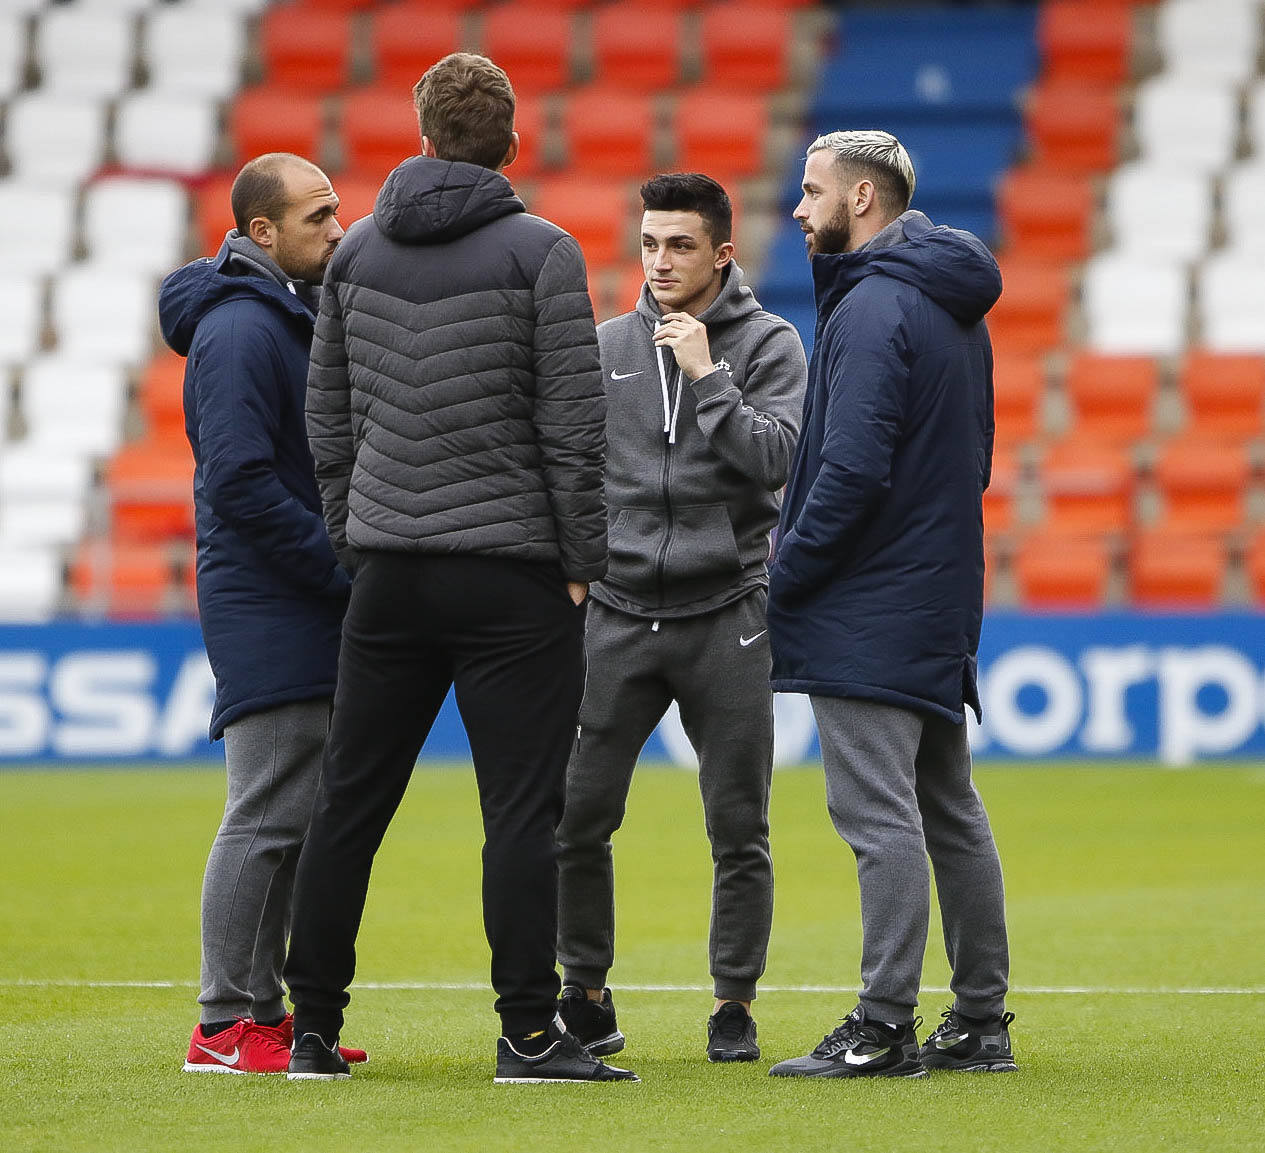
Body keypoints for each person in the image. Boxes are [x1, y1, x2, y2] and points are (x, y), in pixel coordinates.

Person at [281, 52, 636, 1085]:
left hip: (390, 569)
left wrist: (359, 539)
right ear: (511, 141)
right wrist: (580, 563)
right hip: (511, 572)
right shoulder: (542, 252)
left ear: (424, 136)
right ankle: (528, 1033)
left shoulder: (353, 259)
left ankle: (310, 1031)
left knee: (348, 802)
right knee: (521, 811)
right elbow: (571, 426)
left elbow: (328, 423)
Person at [765, 130, 1015, 1079]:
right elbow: (977, 457)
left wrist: (787, 571)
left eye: (812, 190)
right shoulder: (952, 307)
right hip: (935, 590)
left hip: (870, 599)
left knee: (878, 815)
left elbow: (851, 466)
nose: (798, 208)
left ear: (861, 199)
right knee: (945, 802)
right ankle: (981, 1019)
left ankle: (882, 1023)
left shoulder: (872, 306)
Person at [555, 174, 806, 1063]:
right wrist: (579, 570)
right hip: (616, 614)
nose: (659, 261)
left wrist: (706, 373)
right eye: (650, 242)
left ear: (722, 253)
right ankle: (583, 992)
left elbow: (772, 459)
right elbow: (569, 466)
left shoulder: (771, 344)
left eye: (681, 245)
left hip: (725, 614)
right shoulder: (605, 343)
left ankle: (732, 1001)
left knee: (739, 827)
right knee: (576, 818)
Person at [158, 152, 367, 1074]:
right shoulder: (241, 328)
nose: (336, 227)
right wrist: (338, 568)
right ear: (261, 233)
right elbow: (239, 480)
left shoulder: (285, 313)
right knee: (266, 812)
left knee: (296, 817)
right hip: (270, 598)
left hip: (297, 595)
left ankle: (263, 1015)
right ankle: (220, 1024)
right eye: (318, 215)